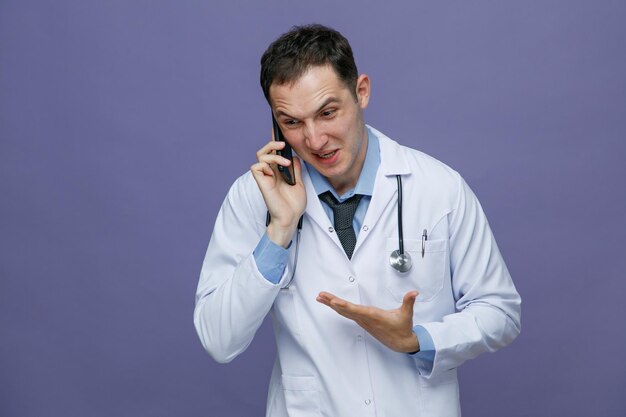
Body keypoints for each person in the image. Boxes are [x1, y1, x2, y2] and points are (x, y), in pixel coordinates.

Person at [194, 24, 521, 417]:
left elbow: (500, 311)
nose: (315, 140)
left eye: (328, 113)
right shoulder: (254, 198)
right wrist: (278, 231)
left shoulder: (439, 188)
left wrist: (417, 340)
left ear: (361, 91)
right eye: (292, 122)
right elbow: (218, 338)